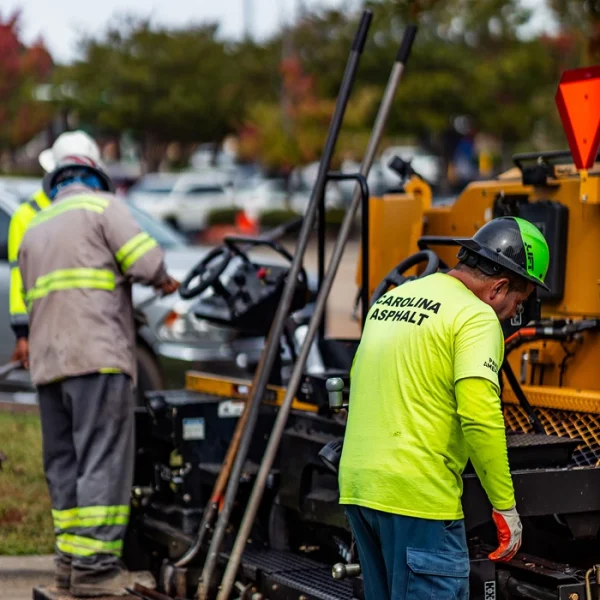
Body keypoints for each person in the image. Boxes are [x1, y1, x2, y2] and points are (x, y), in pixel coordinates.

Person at [338, 216, 550, 600]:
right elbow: (479, 416)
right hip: (419, 499)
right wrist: (505, 507)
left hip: (359, 490)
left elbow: (361, 380)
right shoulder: (476, 316)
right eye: (517, 302)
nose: (511, 313)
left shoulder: (392, 299)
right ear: (499, 287)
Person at [18, 153, 179, 597]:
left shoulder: (35, 227)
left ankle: (69, 565)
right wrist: (164, 280)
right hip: (96, 358)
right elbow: (146, 263)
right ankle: (95, 570)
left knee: (63, 463)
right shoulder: (104, 208)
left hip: (50, 365)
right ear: (96, 181)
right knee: (102, 460)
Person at [9, 130, 104, 369]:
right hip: (47, 327)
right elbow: (18, 278)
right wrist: (23, 333)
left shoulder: (96, 210)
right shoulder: (26, 216)